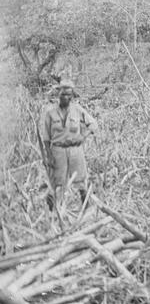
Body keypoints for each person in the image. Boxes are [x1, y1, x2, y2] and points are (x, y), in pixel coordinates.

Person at [40, 80, 96, 208]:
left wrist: (83, 136)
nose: (65, 97)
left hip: (76, 151)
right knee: (55, 183)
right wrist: (49, 155)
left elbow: (93, 124)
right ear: (58, 94)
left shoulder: (77, 110)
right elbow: (46, 137)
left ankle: (87, 211)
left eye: (68, 94)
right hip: (57, 151)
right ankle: (52, 213)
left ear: (72, 96)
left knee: (81, 181)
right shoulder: (50, 113)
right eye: (63, 93)